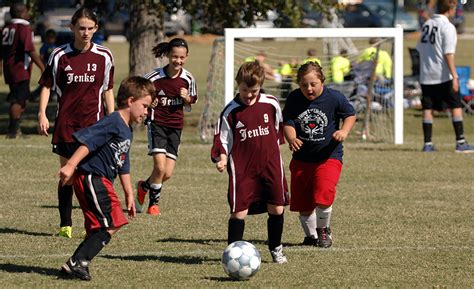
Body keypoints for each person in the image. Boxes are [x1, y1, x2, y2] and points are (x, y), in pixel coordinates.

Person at [58, 76, 156, 281]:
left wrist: (129, 193)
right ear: (130, 101)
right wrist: (70, 164)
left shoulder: (126, 129)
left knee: (99, 226)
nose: (146, 112)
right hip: (92, 178)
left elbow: (124, 163)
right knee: (112, 222)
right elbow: (88, 142)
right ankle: (77, 262)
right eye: (145, 106)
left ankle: (75, 264)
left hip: (98, 180)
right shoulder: (113, 120)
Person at [37, 7, 116, 238]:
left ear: (96, 29)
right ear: (72, 28)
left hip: (95, 127)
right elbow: (46, 85)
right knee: (68, 175)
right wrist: (42, 113)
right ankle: (65, 224)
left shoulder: (105, 56)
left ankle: (93, 223)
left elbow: (108, 89)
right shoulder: (60, 55)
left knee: (92, 176)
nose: (86, 32)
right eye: (81, 28)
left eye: (90, 28)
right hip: (67, 125)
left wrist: (112, 121)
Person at [211, 61, 289, 264]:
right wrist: (222, 158)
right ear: (238, 85)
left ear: (261, 86)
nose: (249, 95)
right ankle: (232, 253)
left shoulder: (271, 103)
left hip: (270, 164)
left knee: (277, 208)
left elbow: (277, 129)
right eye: (245, 90)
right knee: (239, 212)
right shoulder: (231, 111)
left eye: (254, 91)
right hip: (243, 169)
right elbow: (223, 139)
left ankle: (276, 247)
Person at [282, 62, 356, 248]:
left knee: (324, 193)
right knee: (303, 202)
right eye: (304, 84)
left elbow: (350, 113)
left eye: (313, 84)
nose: (309, 88)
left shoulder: (334, 97)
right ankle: (311, 236)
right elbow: (288, 121)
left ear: (322, 81)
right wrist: (291, 138)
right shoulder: (294, 98)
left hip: (328, 155)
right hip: (301, 158)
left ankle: (324, 231)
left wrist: (344, 131)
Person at [136, 38, 198, 216]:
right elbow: (140, 93)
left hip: (176, 126)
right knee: (160, 168)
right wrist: (149, 102)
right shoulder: (154, 77)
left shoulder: (188, 78)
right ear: (168, 56)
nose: (178, 61)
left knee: (167, 173)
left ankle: (144, 186)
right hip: (157, 124)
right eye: (174, 57)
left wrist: (187, 98)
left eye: (181, 57)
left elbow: (193, 99)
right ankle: (153, 205)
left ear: (186, 57)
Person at [416, 0, 474, 153]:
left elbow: (419, 48)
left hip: (426, 74)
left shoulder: (427, 24)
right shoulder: (448, 27)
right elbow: (448, 53)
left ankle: (427, 144)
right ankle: (460, 142)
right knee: (455, 105)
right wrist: (455, 76)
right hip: (443, 75)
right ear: (452, 8)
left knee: (428, 107)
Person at [0, 3, 45, 138]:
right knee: (18, 99)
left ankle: (14, 128)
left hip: (10, 67)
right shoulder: (23, 27)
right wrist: (43, 67)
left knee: (21, 98)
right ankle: (13, 130)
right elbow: (29, 49)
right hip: (19, 68)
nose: (28, 15)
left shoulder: (6, 28)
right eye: (26, 12)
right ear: (20, 13)